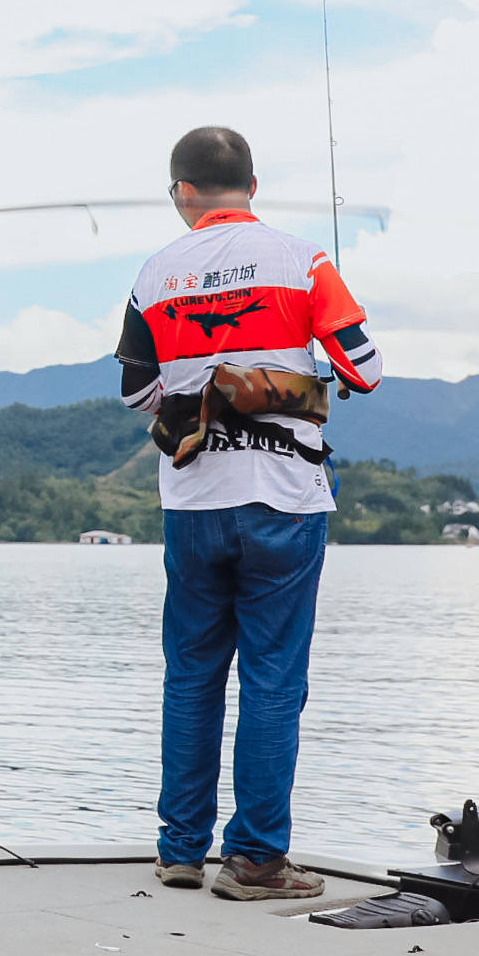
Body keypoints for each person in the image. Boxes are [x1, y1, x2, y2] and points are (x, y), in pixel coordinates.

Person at [115, 126, 382, 903]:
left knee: (192, 674)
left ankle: (179, 849)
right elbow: (363, 371)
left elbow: (137, 391)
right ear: (253, 186)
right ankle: (257, 861)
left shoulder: (155, 273)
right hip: (284, 500)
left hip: (193, 501)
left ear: (184, 192)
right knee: (272, 679)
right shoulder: (304, 260)